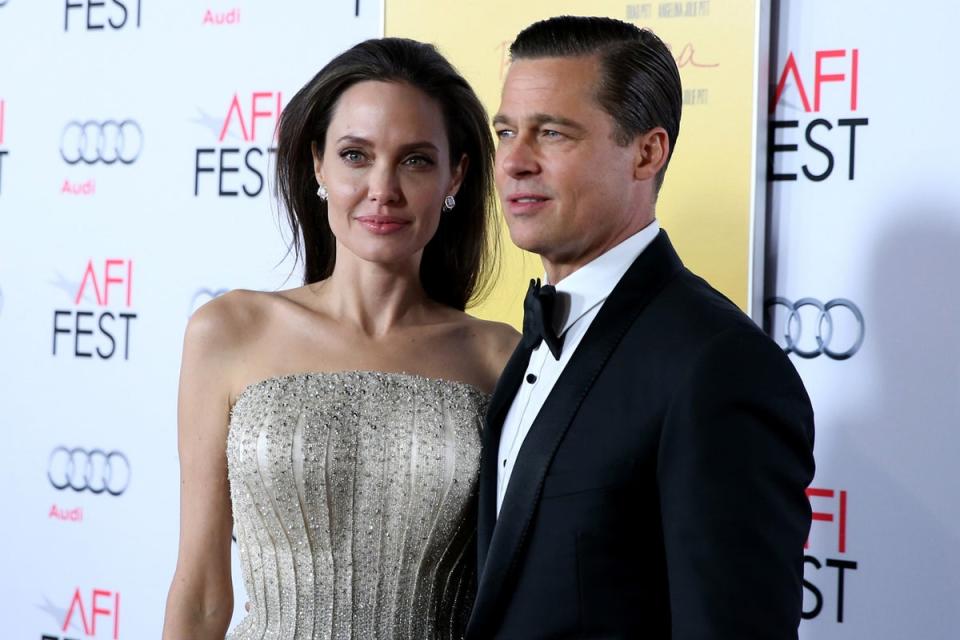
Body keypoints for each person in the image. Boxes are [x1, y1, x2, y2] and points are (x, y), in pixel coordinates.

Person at [468, 16, 815, 639]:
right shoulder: (534, 337)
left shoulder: (718, 365)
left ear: (647, 152)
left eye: (552, 133)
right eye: (505, 131)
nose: (515, 162)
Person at [162, 38, 518, 639]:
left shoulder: (500, 357)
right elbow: (199, 592)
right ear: (318, 164)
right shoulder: (228, 332)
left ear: (454, 175)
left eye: (415, 160)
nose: (383, 189)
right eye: (356, 155)